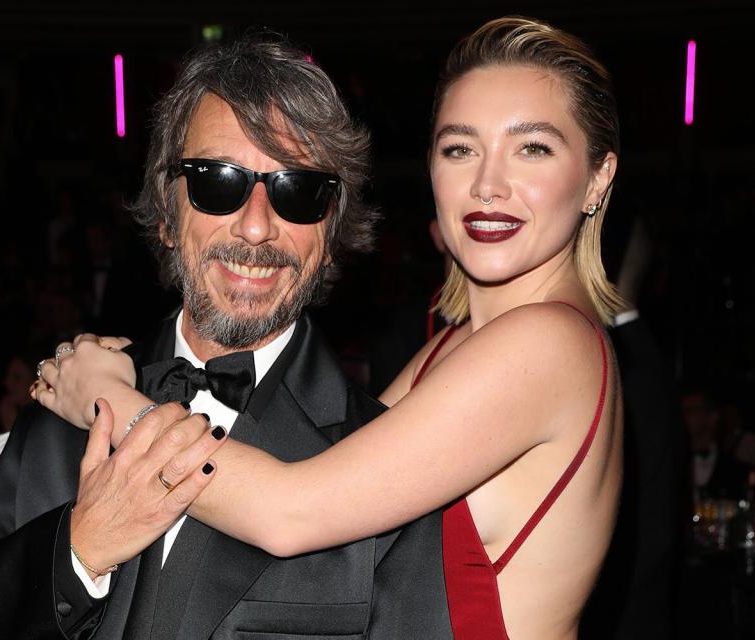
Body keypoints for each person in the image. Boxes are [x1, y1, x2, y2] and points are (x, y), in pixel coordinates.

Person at [37, 16, 625, 640]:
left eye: (533, 147)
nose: (487, 183)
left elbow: (291, 510)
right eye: (460, 147)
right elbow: (311, 464)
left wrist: (106, 402)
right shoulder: (454, 348)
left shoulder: (549, 345)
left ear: (597, 177)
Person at [0, 33, 452, 640]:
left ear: (330, 235)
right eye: (217, 182)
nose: (254, 227)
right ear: (167, 217)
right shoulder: (69, 406)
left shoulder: (381, 464)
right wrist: (77, 553)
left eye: (297, 191)